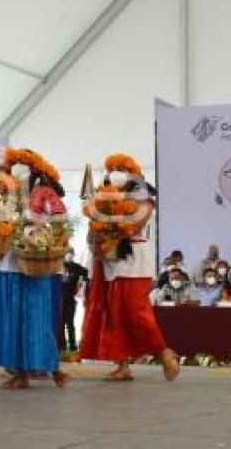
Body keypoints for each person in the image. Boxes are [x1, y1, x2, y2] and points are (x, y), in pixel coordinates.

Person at [80, 153, 179, 382]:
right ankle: (122, 364)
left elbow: (133, 226)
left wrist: (106, 220)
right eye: (111, 168)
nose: (114, 172)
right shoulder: (104, 198)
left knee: (137, 312)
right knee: (114, 314)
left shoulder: (143, 198)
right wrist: (97, 225)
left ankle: (164, 354)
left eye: (120, 168)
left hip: (135, 262)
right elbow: (95, 227)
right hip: (110, 261)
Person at [0, 148, 68, 389]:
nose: (17, 169)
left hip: (33, 264)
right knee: (9, 319)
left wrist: (37, 227)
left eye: (22, 164)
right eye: (13, 164)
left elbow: (61, 219)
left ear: (34, 170)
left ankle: (41, 367)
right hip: (7, 264)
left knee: (34, 318)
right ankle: (18, 370)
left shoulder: (44, 193)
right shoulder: (3, 192)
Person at [60, 251, 88, 352]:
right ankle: (61, 347)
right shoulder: (57, 265)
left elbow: (87, 274)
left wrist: (81, 284)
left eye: (71, 253)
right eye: (67, 252)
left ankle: (72, 348)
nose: (69, 255)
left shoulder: (76, 267)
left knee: (70, 324)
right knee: (59, 324)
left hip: (70, 299)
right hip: (58, 299)